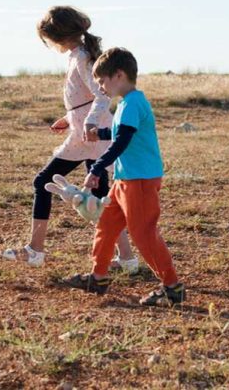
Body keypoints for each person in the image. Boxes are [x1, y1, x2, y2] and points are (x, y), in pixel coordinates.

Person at [1, 6, 138, 272]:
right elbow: (85, 99)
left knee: (45, 182)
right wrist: (69, 118)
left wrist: (88, 122)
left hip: (89, 135)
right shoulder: (79, 55)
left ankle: (35, 251)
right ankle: (127, 259)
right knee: (98, 197)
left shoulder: (82, 58)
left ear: (56, 37)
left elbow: (102, 95)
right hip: (86, 133)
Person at [61, 47, 185, 307]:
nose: (100, 86)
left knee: (143, 234)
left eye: (101, 81)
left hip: (139, 180)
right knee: (106, 225)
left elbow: (122, 143)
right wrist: (100, 134)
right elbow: (121, 134)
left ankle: (172, 287)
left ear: (118, 75)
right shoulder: (127, 104)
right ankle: (98, 277)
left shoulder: (133, 103)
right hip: (125, 179)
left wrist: (96, 168)